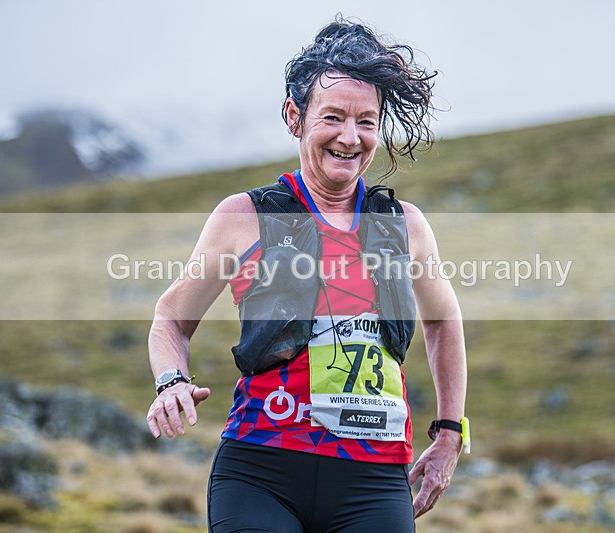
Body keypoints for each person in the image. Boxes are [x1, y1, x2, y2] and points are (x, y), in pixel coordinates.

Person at [146, 17, 467, 533]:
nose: (350, 137)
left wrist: (450, 433)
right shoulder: (244, 217)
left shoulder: (404, 226)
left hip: (375, 482)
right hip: (260, 472)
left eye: (366, 121)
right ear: (295, 116)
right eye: (333, 117)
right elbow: (170, 318)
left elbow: (444, 319)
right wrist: (171, 381)